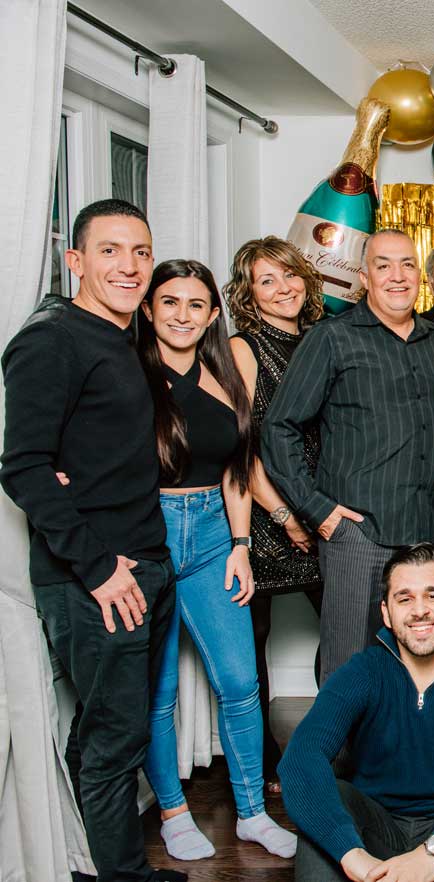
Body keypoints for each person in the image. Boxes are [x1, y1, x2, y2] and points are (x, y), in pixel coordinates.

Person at [1, 199, 182, 882]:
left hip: (145, 563)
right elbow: (23, 466)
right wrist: (99, 567)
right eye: (109, 251)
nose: (129, 266)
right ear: (74, 261)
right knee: (116, 740)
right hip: (99, 579)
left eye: (140, 252)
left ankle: (85, 859)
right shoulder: (51, 340)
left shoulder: (122, 338)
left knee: (109, 730)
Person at [134, 259, 297, 860]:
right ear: (148, 309)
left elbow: (237, 470)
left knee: (240, 681)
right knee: (159, 692)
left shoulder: (224, 374)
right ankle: (174, 813)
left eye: (196, 304)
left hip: (211, 537)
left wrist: (241, 546)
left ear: (211, 315)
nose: (183, 315)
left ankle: (252, 813)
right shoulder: (129, 373)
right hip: (146, 534)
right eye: (170, 302)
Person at [263, 228, 434, 680]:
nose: (397, 275)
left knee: (426, 664)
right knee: (349, 668)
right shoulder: (332, 338)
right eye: (383, 265)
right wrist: (317, 509)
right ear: (365, 278)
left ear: (419, 275)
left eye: (407, 264)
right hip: (359, 533)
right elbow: (279, 427)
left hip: (430, 534)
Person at [279, 542, 434, 882]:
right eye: (405, 599)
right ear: (386, 613)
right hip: (375, 826)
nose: (419, 610)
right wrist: (351, 854)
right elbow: (302, 756)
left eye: (433, 596)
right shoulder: (364, 671)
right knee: (325, 807)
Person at [225, 235, 325, 792]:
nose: (283, 288)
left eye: (290, 275)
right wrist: (285, 514)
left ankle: (329, 748)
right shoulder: (244, 348)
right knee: (253, 641)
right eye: (267, 280)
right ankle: (262, 764)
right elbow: (241, 445)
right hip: (263, 510)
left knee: (344, 627)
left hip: (316, 506)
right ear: (249, 294)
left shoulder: (320, 338)